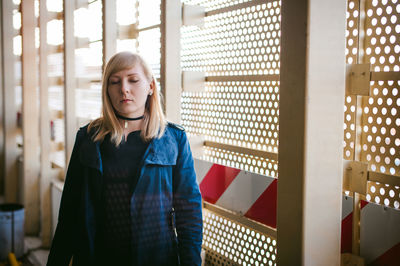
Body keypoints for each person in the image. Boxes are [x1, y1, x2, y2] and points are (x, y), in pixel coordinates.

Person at [47, 51, 203, 266]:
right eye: (115, 82)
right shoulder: (88, 139)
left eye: (133, 80)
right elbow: (70, 213)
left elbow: (189, 211)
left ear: (150, 86)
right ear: (107, 90)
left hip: (156, 257)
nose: (124, 89)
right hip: (99, 257)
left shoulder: (173, 140)